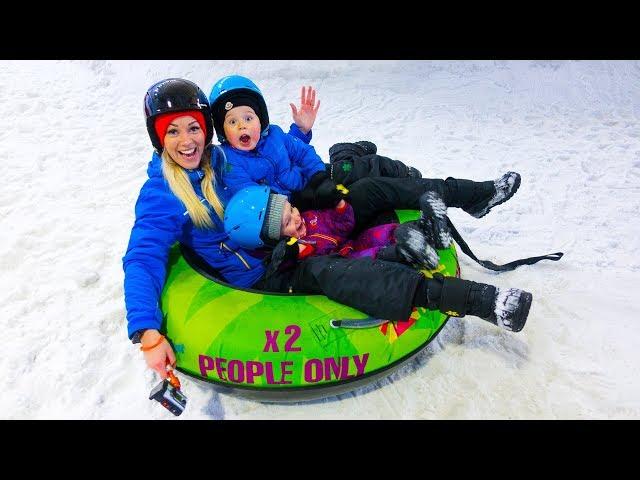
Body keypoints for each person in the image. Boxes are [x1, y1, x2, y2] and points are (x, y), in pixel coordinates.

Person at [124, 78, 534, 380]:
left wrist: (301, 138)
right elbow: (142, 257)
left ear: (206, 129)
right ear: (158, 139)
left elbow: (272, 161)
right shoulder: (162, 195)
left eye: (193, 127)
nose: (186, 140)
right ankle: (471, 298)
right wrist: (147, 332)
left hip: (289, 231)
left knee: (370, 188)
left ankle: (469, 194)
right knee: (332, 272)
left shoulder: (223, 160)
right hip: (264, 273)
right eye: (172, 131)